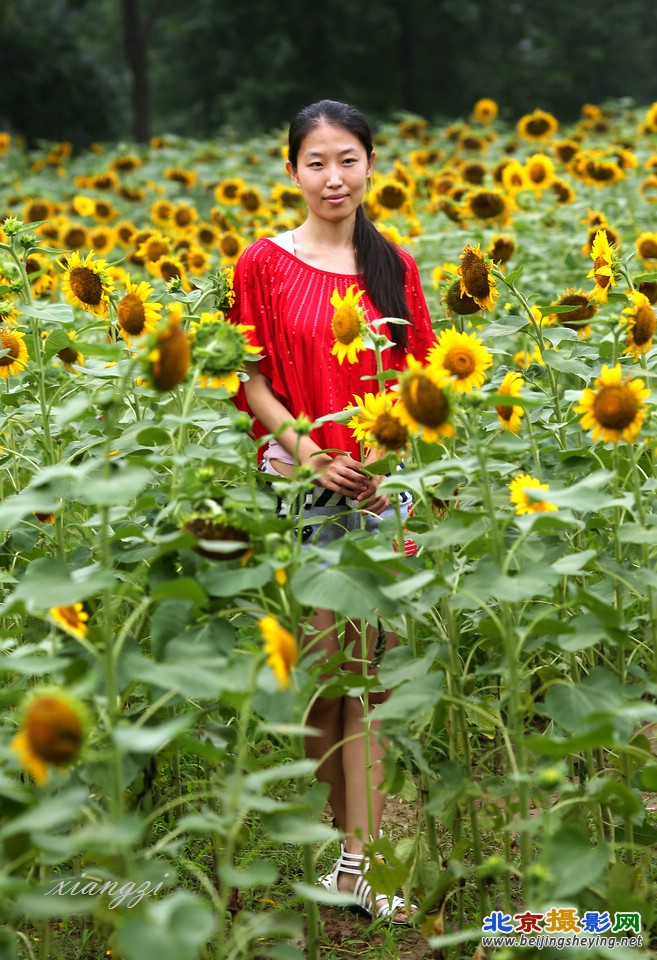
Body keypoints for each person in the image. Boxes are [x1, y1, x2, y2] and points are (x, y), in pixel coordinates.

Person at [229, 99, 434, 922]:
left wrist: (381, 458)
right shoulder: (263, 264)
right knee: (322, 681)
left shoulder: (395, 266)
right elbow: (249, 376)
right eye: (316, 162)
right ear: (292, 172)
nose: (333, 177)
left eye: (346, 159)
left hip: (382, 491)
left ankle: (364, 858)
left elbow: (423, 381)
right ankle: (342, 832)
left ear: (370, 163)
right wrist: (312, 452)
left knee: (373, 678)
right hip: (301, 485)